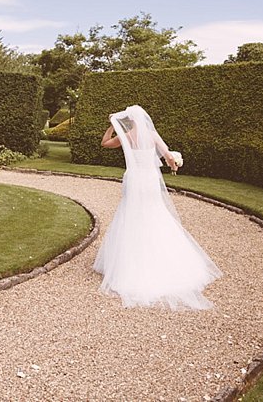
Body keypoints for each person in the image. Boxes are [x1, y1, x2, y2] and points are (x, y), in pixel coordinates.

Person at [93, 105, 221, 309]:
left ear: (130, 120)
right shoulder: (152, 135)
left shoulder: (125, 136)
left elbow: (104, 143)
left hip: (134, 179)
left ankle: (129, 264)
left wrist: (111, 126)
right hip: (150, 179)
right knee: (154, 212)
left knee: (131, 214)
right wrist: (174, 163)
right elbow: (168, 154)